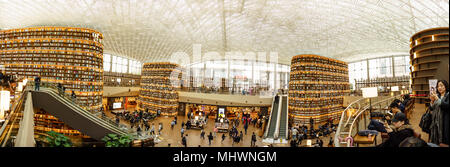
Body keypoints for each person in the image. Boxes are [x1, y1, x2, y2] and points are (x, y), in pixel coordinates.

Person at [429, 80, 449, 147]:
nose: (439, 87)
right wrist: (432, 101)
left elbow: (447, 106)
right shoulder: (437, 95)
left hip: (445, 120)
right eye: (438, 86)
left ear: (445, 86)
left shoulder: (448, 95)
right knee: (436, 137)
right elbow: (431, 108)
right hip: (436, 121)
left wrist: (437, 100)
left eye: (441, 85)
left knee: (445, 136)